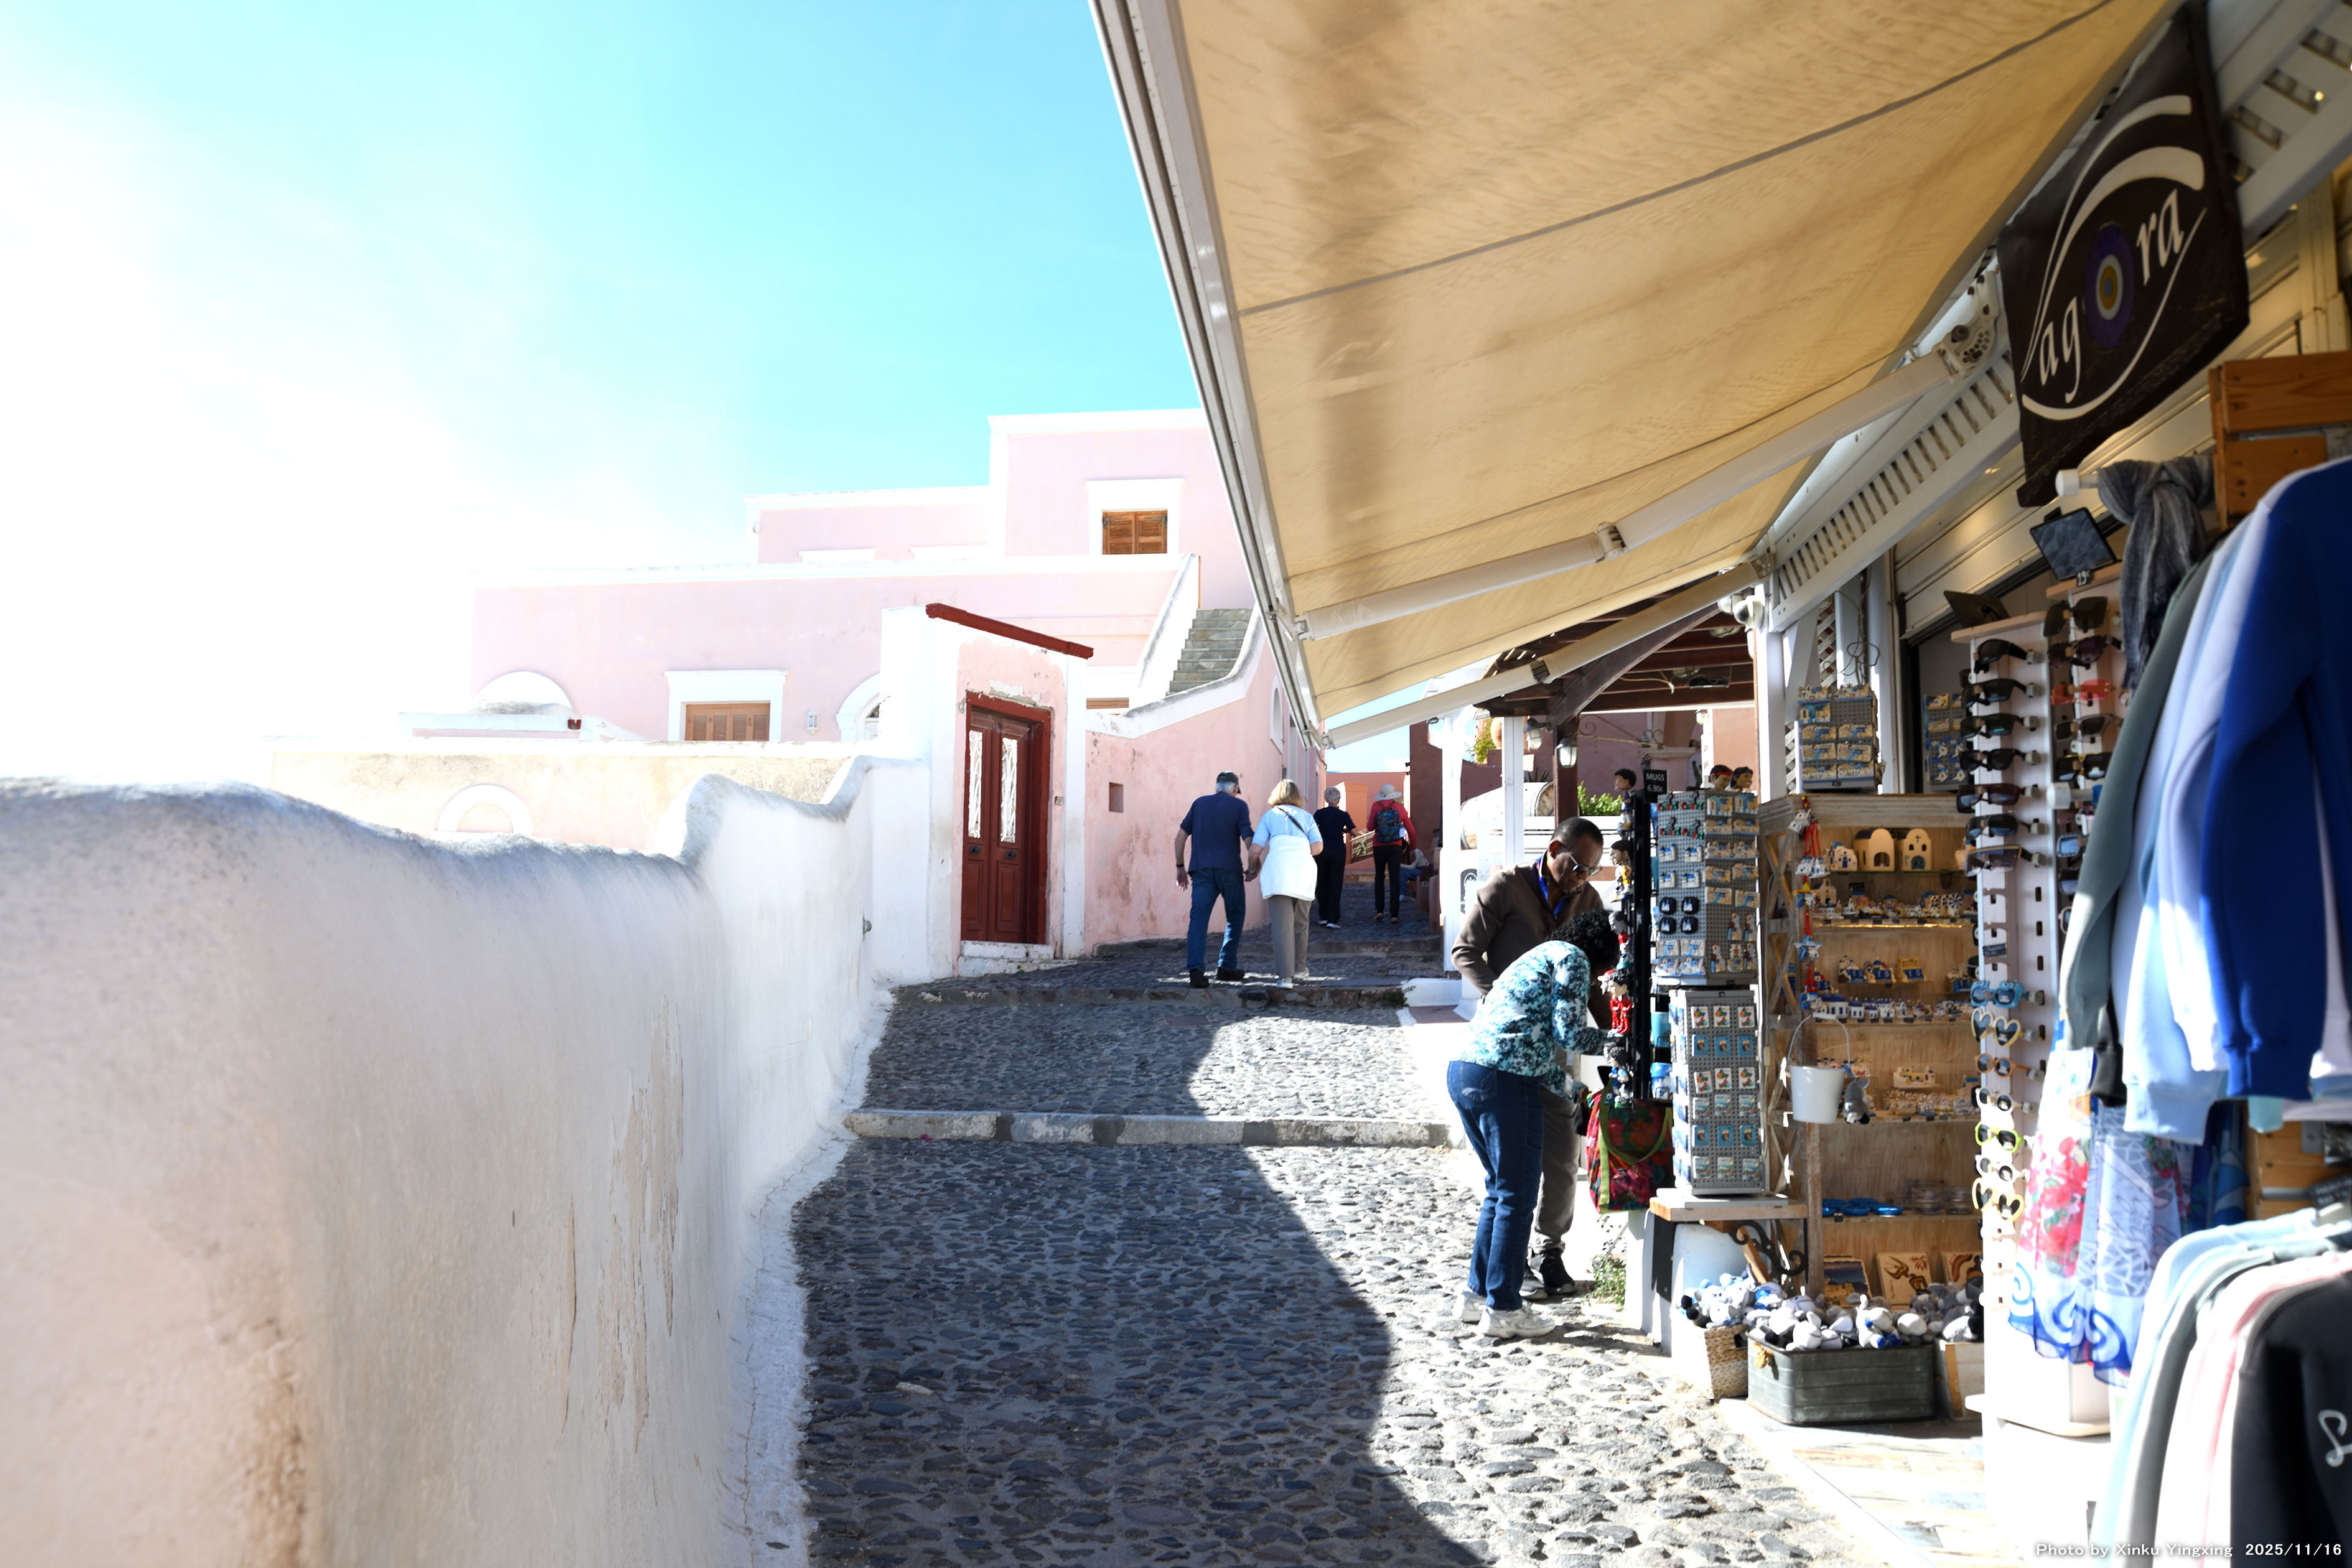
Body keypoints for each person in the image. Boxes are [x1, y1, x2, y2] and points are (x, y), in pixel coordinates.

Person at [1452, 816, 1610, 1299]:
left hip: (1553, 1049)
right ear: (1554, 848)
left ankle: (1550, 1251)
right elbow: (1465, 951)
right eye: (1577, 866)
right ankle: (1508, 1274)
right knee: (1512, 1177)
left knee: (1563, 1154)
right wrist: (1502, 996)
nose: (1582, 878)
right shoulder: (1507, 887)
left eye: (1591, 871)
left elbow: (1592, 980)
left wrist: (1614, 1032)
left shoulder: (1588, 900)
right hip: (1509, 1047)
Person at [1445, 929, 1618, 1337]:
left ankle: (1476, 1295)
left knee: (1500, 1190)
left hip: (1466, 1071)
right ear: (1601, 954)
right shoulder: (1573, 958)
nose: (1597, 981)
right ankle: (1504, 1308)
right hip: (1504, 1081)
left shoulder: (1538, 958)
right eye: (1603, 973)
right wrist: (1622, 1041)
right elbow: (1569, 1034)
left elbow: (1533, 1052)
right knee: (1517, 1195)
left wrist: (1576, 1091)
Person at [1175, 771, 1253, 987]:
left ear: (1217, 787)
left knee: (1198, 920)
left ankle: (1196, 971)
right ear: (1235, 788)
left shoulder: (1199, 804)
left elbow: (1180, 837)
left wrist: (1180, 868)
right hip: (1230, 870)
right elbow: (1248, 838)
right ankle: (1226, 966)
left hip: (1201, 870)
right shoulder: (1239, 806)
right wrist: (1253, 866)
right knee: (1235, 917)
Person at [1249, 780, 1323, 987]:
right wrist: (1300, 851)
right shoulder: (1307, 817)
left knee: (1282, 926)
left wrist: (1253, 868)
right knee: (1301, 923)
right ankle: (1300, 969)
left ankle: (1285, 977)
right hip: (1303, 871)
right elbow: (1318, 847)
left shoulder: (1269, 816)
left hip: (1278, 871)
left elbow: (1255, 850)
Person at [1365, 783, 1417, 923]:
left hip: (1379, 846)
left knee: (1379, 876)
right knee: (1395, 878)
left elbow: (1370, 827)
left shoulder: (1376, 806)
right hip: (1395, 846)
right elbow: (1410, 829)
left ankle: (1380, 911)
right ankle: (1394, 914)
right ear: (1393, 795)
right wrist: (1413, 847)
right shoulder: (1399, 807)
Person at [1310, 786, 1355, 929]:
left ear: (1326, 799)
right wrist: (1344, 830)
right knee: (1335, 884)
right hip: (1338, 851)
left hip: (1321, 850)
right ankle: (1333, 920)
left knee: (1322, 882)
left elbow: (1311, 829)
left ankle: (1323, 917)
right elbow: (1355, 832)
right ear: (1338, 800)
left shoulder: (1319, 814)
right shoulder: (1343, 815)